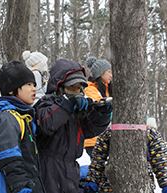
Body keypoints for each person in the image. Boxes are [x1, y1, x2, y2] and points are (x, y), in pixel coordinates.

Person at [34, 58, 110, 193]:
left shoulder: (77, 110)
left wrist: (101, 114)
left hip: (71, 169)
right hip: (48, 168)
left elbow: (89, 129)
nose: (76, 91)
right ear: (59, 86)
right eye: (71, 87)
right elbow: (46, 123)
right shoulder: (47, 103)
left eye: (79, 88)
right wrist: (66, 105)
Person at [0, 61, 45, 192]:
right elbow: (9, 159)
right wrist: (21, 188)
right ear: (11, 90)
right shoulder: (8, 119)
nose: (34, 88)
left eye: (34, 84)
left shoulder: (22, 117)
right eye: (28, 84)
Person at [81, 126, 167, 193]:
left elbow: (97, 163)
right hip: (137, 187)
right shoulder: (150, 134)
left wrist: (92, 183)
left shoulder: (107, 134)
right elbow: (162, 163)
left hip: (109, 188)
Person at [84, 56, 112, 156]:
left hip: (104, 137)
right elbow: (101, 106)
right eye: (108, 71)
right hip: (93, 140)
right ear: (100, 73)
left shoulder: (107, 88)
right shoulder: (90, 89)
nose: (111, 75)